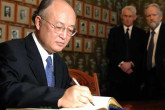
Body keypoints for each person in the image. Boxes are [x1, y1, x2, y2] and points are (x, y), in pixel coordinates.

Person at [0, 0, 93, 109]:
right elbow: (6, 91)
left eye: (70, 30)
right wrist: (60, 97)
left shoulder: (60, 64)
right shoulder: (10, 51)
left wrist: (77, 96)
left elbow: (66, 92)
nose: (64, 36)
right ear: (39, 23)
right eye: (59, 27)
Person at [106, 5, 146, 101]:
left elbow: (143, 53)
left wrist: (131, 64)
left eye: (130, 16)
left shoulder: (142, 33)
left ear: (135, 17)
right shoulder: (114, 32)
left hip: (134, 76)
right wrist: (121, 64)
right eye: (125, 16)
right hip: (116, 78)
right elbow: (109, 52)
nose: (127, 19)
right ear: (121, 16)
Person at [142, 3, 165, 100]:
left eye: (154, 15)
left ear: (161, 16)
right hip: (148, 82)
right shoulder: (146, 35)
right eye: (148, 15)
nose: (151, 18)